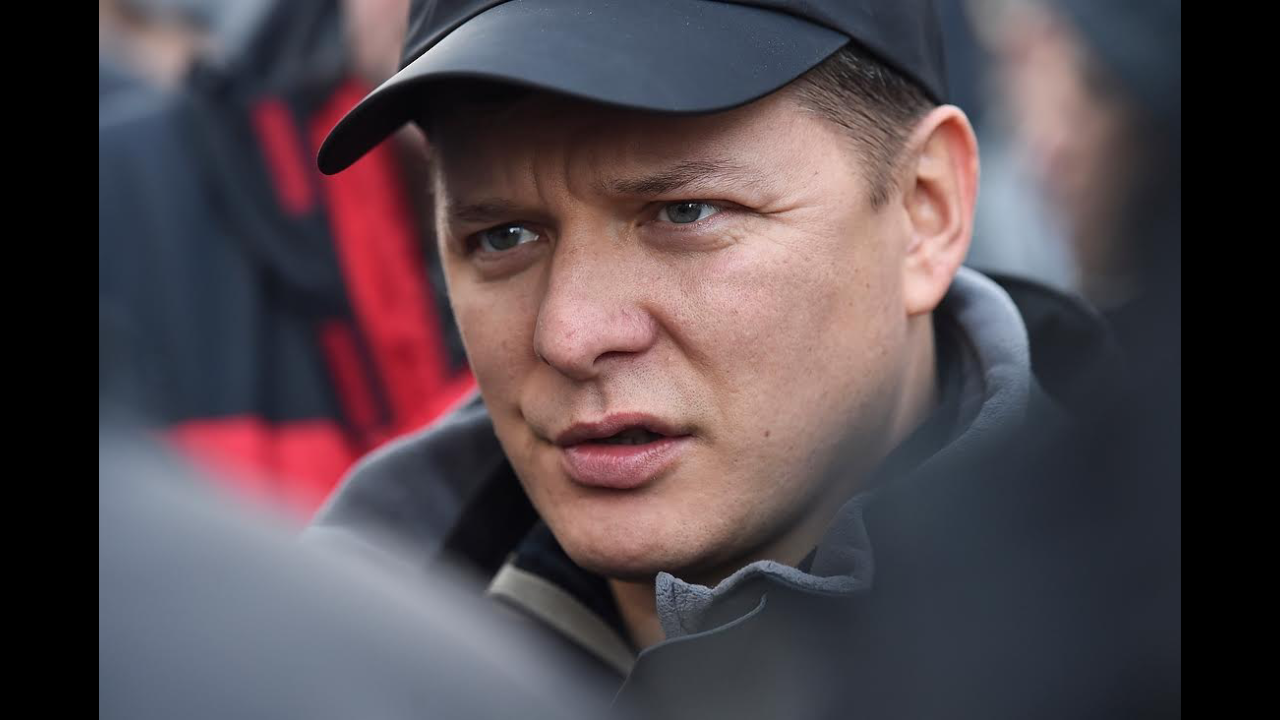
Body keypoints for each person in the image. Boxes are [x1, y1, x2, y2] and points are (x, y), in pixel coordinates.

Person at [308, 0, 1117, 714]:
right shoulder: (326, 665)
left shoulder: (1132, 641)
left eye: (685, 212)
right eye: (502, 236)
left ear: (926, 211)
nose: (570, 335)